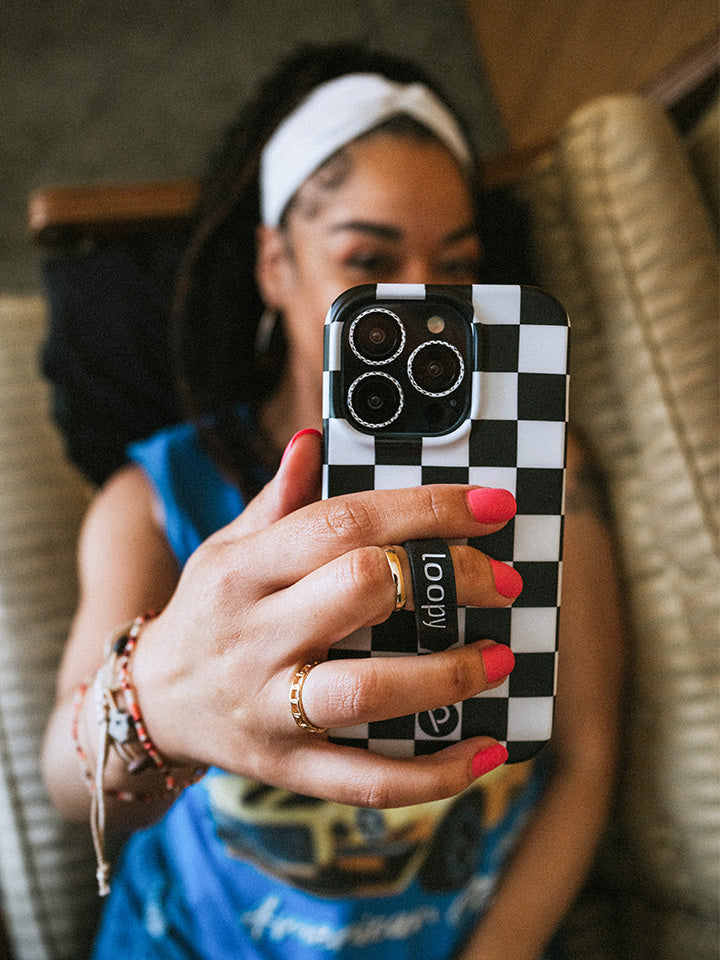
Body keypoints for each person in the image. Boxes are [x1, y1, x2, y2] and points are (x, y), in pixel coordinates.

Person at [42, 43, 624, 960]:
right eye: (367, 258)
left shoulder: (542, 465)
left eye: (457, 268)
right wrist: (153, 694)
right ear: (275, 265)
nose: (422, 302)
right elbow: (67, 787)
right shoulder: (153, 502)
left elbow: (586, 752)